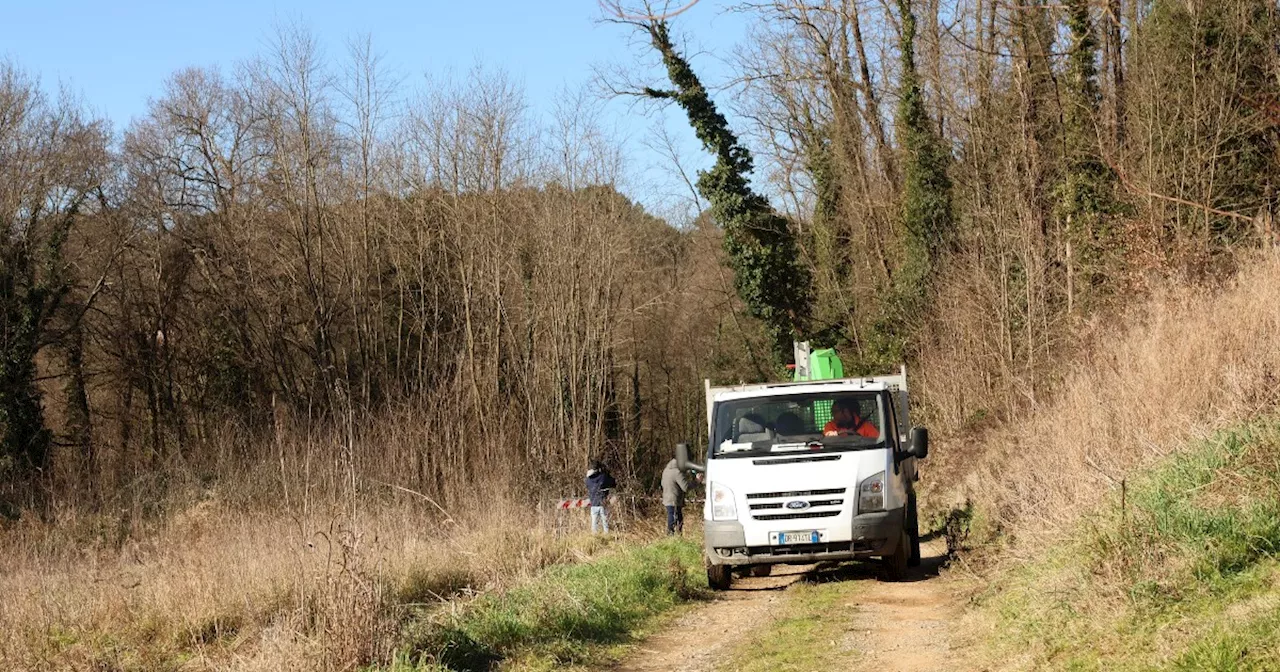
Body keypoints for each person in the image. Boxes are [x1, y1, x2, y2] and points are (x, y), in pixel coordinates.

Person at [662, 458, 694, 535]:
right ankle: (673, 536)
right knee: (675, 519)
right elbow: (685, 487)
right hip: (674, 500)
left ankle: (673, 536)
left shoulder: (666, 470)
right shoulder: (677, 472)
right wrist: (696, 481)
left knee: (675, 517)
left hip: (667, 498)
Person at [585, 460, 616, 534]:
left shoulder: (588, 479)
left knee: (594, 524)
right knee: (605, 523)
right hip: (603, 502)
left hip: (593, 503)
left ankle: (595, 538)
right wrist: (606, 473)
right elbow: (613, 483)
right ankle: (607, 536)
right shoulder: (603, 477)